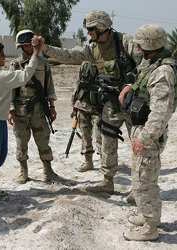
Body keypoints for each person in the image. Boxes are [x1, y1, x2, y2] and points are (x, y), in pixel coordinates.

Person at [41, 10, 141, 193]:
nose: (89, 34)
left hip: (133, 102)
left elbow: (145, 66)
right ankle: (107, 181)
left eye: (91, 30)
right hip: (111, 103)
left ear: (102, 28)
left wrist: (133, 86)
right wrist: (45, 48)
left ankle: (140, 188)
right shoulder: (92, 48)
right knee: (107, 141)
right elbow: (69, 55)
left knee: (139, 143)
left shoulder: (125, 42)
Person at [120, 24, 177, 241]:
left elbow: (160, 111)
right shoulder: (152, 61)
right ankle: (146, 214)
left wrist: (145, 138)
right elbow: (142, 80)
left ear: (148, 46)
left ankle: (150, 227)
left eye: (141, 45)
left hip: (149, 132)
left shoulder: (163, 71)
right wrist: (130, 86)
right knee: (140, 176)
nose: (138, 49)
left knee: (144, 180)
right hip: (143, 128)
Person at [0, 38, 42, 192]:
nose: (5, 57)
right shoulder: (1, 76)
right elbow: (25, 75)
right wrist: (35, 54)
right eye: (2, 55)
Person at [8, 29, 58, 183]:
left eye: (30, 45)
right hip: (20, 109)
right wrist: (10, 109)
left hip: (39, 108)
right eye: (25, 46)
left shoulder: (44, 63)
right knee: (21, 141)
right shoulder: (15, 64)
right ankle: (23, 171)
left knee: (43, 139)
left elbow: (49, 85)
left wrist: (52, 106)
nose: (28, 48)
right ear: (20, 47)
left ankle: (48, 170)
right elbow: (10, 88)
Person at [71, 61, 102, 172]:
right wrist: (74, 105)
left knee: (101, 136)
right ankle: (88, 162)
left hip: (99, 108)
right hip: (83, 105)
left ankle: (105, 162)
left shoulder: (105, 62)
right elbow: (78, 84)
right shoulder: (84, 64)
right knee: (85, 136)